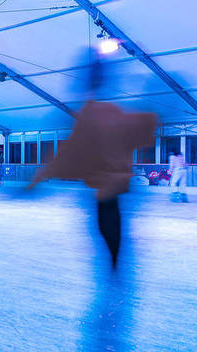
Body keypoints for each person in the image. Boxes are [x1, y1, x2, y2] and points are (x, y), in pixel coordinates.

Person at [27, 59, 157, 268]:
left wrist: (36, 181)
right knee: (108, 232)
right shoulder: (104, 111)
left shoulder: (96, 113)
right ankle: (115, 270)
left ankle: (115, 272)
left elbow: (69, 152)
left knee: (107, 230)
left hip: (107, 188)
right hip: (110, 188)